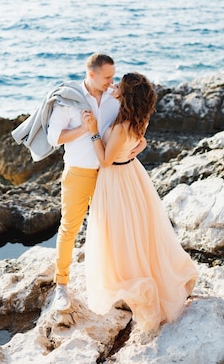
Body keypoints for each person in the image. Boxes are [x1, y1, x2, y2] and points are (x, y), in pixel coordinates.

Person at [85, 72, 198, 333]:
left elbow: (105, 160)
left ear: (126, 95)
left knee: (120, 231)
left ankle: (129, 278)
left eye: (118, 85)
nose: (113, 86)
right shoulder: (139, 119)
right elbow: (136, 142)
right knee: (139, 229)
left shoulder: (122, 127)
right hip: (133, 174)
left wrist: (92, 132)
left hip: (116, 180)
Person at [47, 53, 145, 312]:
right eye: (107, 77)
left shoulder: (115, 98)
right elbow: (54, 137)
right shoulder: (70, 100)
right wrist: (84, 127)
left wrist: (142, 141)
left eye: (114, 76)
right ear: (91, 74)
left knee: (112, 230)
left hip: (110, 175)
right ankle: (61, 286)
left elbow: (133, 120)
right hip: (79, 172)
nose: (112, 82)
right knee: (70, 228)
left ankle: (118, 286)